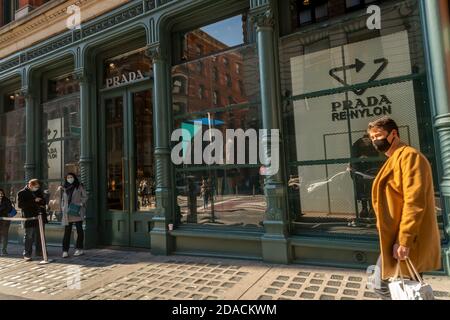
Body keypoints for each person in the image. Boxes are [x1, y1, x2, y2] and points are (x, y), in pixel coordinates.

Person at [368, 117, 441, 299]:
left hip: (406, 237)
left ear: (394, 134)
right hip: (395, 236)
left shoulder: (409, 156)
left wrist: (405, 239)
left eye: (379, 136)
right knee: (405, 288)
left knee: (386, 286)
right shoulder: (396, 158)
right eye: (371, 138)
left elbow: (414, 200)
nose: (375, 141)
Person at [350, 133, 383, 218]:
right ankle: (364, 209)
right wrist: (360, 160)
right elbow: (353, 161)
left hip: (371, 171)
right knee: (362, 190)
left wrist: (368, 158)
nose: (366, 142)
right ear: (362, 140)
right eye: (365, 140)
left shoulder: (374, 147)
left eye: (368, 140)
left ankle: (372, 209)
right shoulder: (357, 147)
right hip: (360, 171)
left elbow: (378, 159)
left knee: (370, 189)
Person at [58, 173, 88, 258]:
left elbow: (85, 196)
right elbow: (62, 200)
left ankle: (79, 249)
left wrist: (81, 203)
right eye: (68, 177)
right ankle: (65, 251)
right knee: (67, 232)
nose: (69, 178)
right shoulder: (64, 188)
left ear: (74, 178)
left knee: (79, 230)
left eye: (71, 177)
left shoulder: (79, 186)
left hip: (77, 211)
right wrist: (63, 208)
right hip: (68, 212)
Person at [18, 179, 48, 261]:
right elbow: (21, 205)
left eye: (38, 187)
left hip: (39, 216)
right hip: (29, 217)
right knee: (29, 236)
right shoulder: (21, 192)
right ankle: (27, 254)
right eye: (35, 187)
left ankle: (40, 251)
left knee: (40, 235)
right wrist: (34, 201)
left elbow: (44, 201)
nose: (37, 188)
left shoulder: (39, 191)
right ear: (30, 185)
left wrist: (40, 201)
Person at [0, 189, 13, 255]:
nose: (0, 195)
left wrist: (2, 211)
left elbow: (9, 209)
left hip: (5, 220)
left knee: (5, 235)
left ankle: (4, 250)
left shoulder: (6, 200)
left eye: (1, 193)